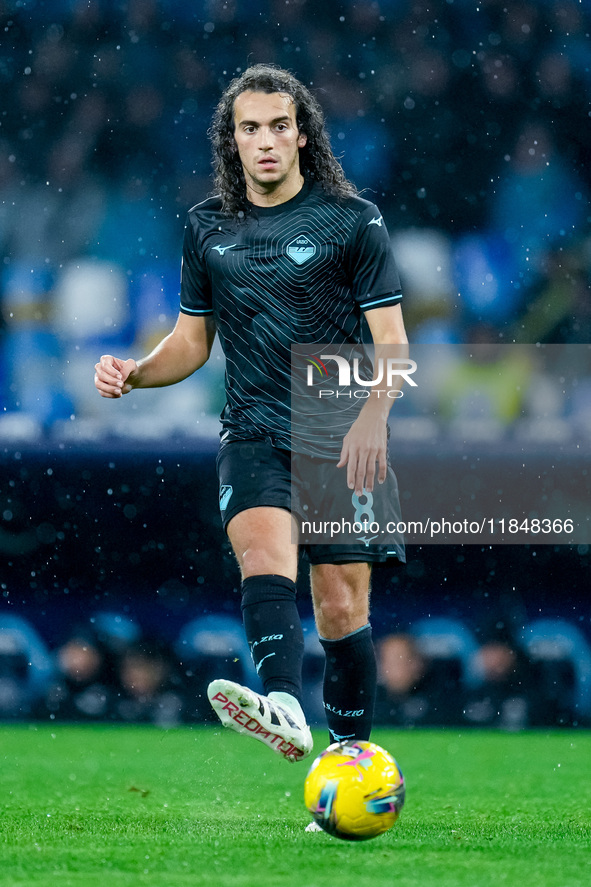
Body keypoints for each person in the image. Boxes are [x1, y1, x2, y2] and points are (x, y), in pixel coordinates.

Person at [94, 64, 408, 768]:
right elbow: (190, 341)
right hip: (253, 429)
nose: (263, 140)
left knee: (338, 607)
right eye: (248, 128)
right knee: (264, 562)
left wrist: (372, 418)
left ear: (301, 136)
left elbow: (392, 342)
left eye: (276, 126)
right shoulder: (207, 227)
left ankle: (350, 760)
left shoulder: (353, 221)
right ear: (230, 140)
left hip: (339, 432)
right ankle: (286, 707)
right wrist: (137, 372)